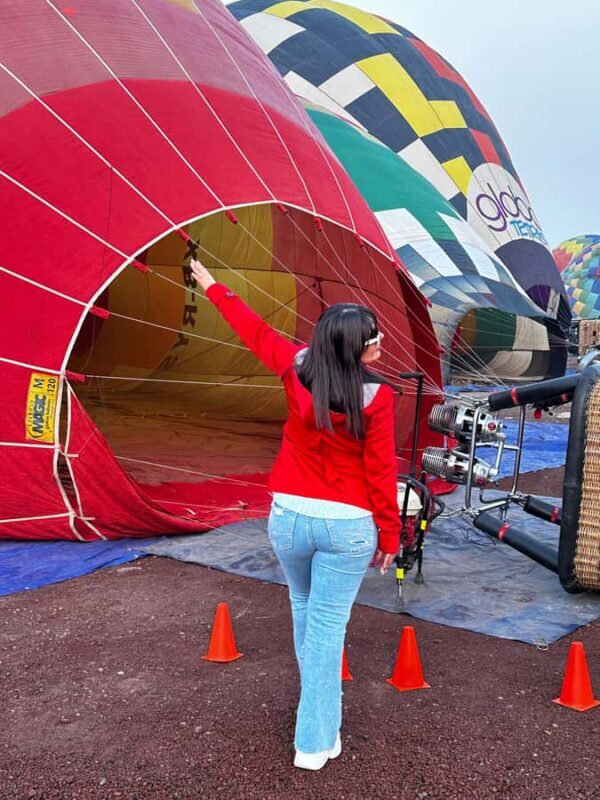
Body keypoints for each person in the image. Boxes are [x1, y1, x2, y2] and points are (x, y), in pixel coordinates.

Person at [190, 259, 400, 771]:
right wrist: (391, 535)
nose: (381, 347)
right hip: (347, 525)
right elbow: (381, 471)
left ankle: (318, 715)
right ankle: (314, 739)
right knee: (326, 629)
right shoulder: (378, 397)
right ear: (353, 348)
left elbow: (252, 329)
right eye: (373, 341)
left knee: (306, 615)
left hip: (288, 517)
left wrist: (214, 286)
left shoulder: (294, 365)